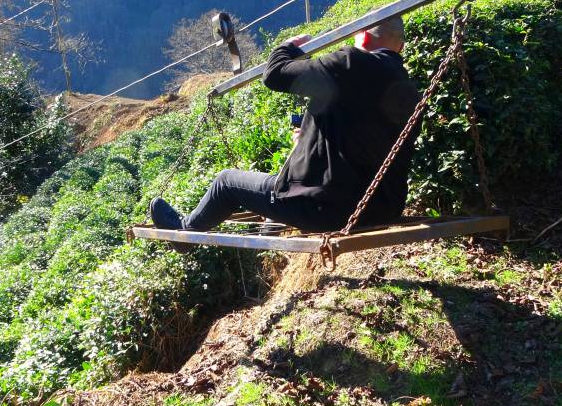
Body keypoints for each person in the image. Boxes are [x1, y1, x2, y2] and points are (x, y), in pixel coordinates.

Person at [150, 16, 421, 239]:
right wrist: (307, 140)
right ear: (401, 47)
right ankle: (267, 234)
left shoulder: (350, 63)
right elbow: (362, 140)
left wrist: (287, 48)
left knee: (226, 182)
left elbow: (276, 75)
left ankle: (183, 233)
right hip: (382, 209)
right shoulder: (409, 91)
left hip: (325, 210)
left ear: (362, 35)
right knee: (280, 186)